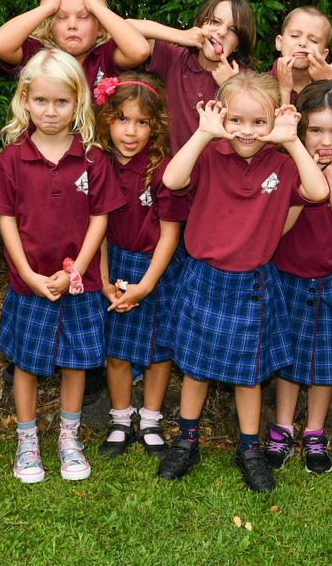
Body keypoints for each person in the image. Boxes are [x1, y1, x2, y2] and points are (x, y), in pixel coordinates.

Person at [156, 72, 329, 493]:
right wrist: (202, 133)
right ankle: (187, 440)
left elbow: (318, 190)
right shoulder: (210, 153)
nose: (246, 132)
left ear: (275, 121)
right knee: (194, 369)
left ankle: (249, 449)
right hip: (204, 276)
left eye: (258, 122)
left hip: (252, 281)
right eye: (236, 120)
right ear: (221, 117)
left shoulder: (284, 164)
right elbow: (171, 181)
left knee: (248, 375)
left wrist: (291, 140)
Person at [0, 49, 124, 483]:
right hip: (31, 283)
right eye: (41, 100)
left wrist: (76, 270)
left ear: (78, 101)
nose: (50, 111)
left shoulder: (94, 159)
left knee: (76, 362)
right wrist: (27, 274)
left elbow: (101, 219)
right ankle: (27, 442)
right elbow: (5, 220)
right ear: (24, 99)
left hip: (78, 283)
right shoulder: (10, 159)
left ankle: (68, 437)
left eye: (61, 101)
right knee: (26, 362)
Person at [265, 81, 332, 475]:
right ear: (300, 131)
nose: (327, 141)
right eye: (316, 130)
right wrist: (309, 188)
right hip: (288, 276)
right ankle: (281, 429)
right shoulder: (285, 169)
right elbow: (277, 230)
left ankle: (314, 432)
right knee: (288, 360)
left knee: (324, 366)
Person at [92, 74, 189, 459]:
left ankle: (150, 419)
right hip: (113, 261)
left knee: (158, 350)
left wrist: (147, 285)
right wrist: (102, 281)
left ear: (156, 125)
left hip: (157, 268)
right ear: (107, 121)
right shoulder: (98, 164)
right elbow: (95, 228)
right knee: (117, 349)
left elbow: (170, 235)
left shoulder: (166, 170)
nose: (131, 132)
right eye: (122, 120)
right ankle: (119, 418)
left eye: (142, 122)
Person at [129, 0, 257, 151]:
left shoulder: (246, 79)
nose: (222, 32)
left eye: (233, 30)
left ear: (238, 45)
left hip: (217, 172)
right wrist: (180, 35)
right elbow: (126, 28)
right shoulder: (175, 58)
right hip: (169, 170)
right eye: (216, 22)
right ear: (201, 25)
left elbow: (254, 131)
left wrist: (232, 87)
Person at [0, 0, 149, 92]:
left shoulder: (104, 55)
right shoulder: (39, 55)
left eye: (84, 16)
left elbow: (139, 51)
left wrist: (97, 7)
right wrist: (47, 7)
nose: (72, 25)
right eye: (61, 17)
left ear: (100, 29)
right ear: (49, 28)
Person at [270, 6, 332, 105]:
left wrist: (327, 83)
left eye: (313, 40)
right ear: (279, 43)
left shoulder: (329, 79)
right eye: (295, 35)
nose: (303, 43)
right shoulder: (261, 84)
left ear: (323, 54)